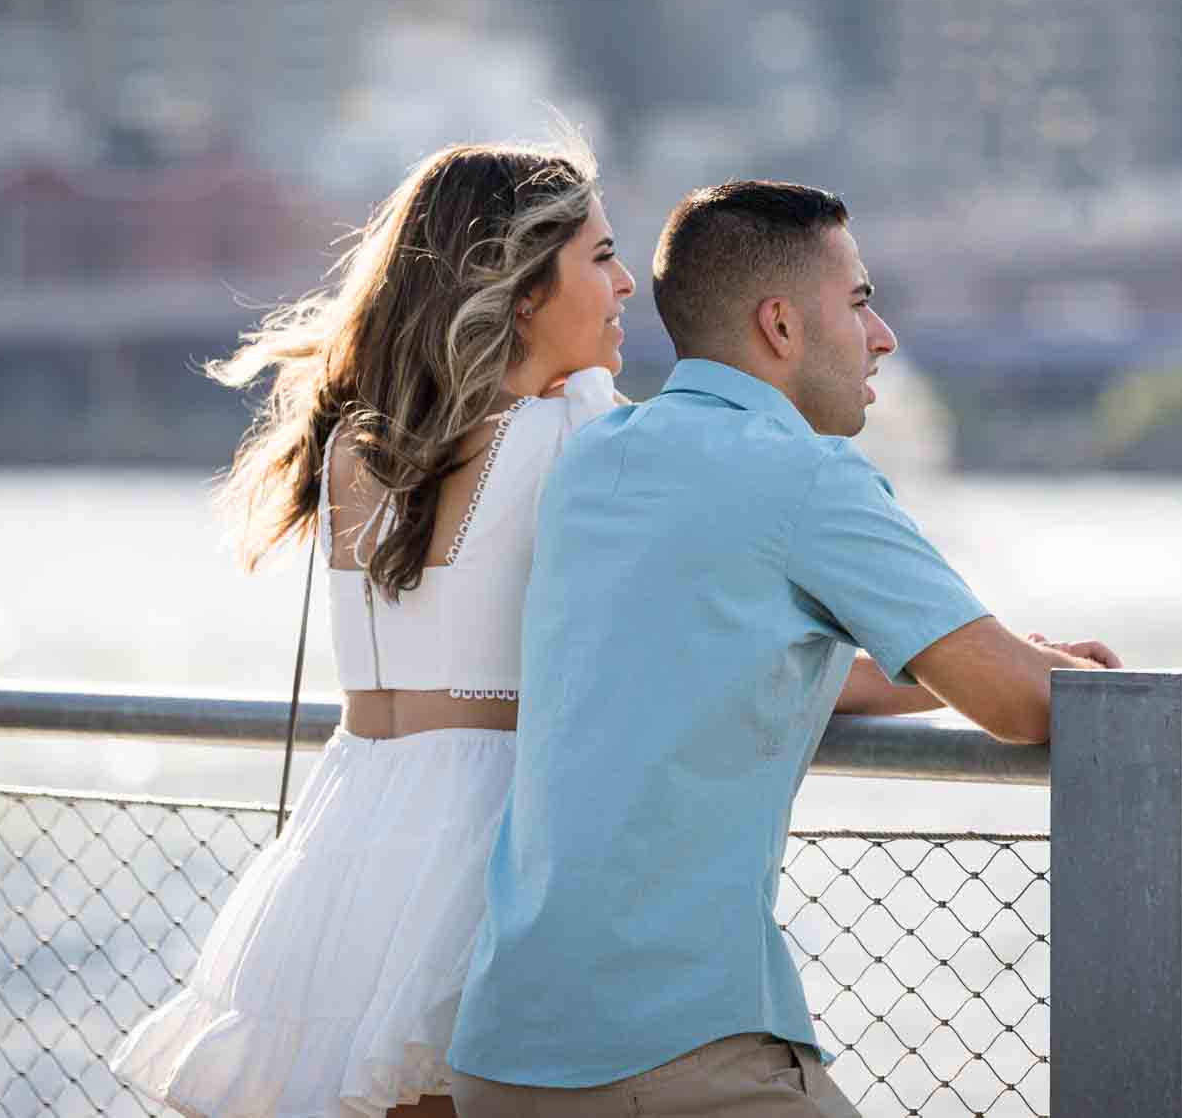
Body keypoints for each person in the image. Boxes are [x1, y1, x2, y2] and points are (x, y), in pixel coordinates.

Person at [447, 181, 1121, 1117]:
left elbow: (719, 656)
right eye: (858, 303)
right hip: (673, 1056)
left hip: (502, 1052)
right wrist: (1079, 675)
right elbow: (1021, 704)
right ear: (780, 326)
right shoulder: (806, 474)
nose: (882, 334)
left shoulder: (598, 460)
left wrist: (954, 665)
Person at [110, 135, 636, 1118]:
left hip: (352, 834)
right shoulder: (574, 434)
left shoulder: (352, 440)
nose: (628, 285)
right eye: (601, 257)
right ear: (522, 291)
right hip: (487, 838)